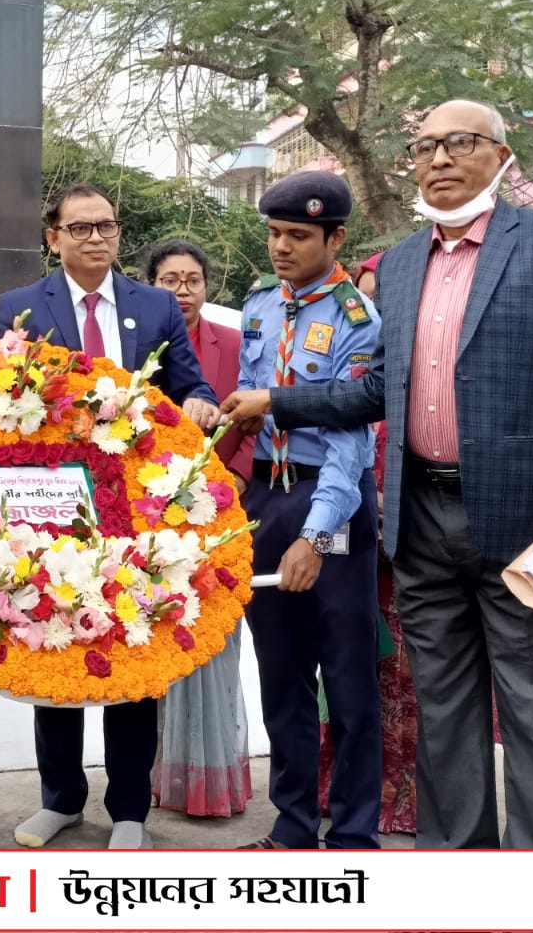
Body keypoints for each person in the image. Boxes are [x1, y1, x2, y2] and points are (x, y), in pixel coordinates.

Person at [222, 99, 533, 849]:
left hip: (530, 526)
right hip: (420, 524)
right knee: (442, 714)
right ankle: (459, 878)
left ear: (502, 155)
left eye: (461, 143)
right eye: (425, 147)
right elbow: (369, 391)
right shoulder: (404, 263)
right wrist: (275, 400)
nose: (440, 159)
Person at [0, 183, 220, 850]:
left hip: (140, 508)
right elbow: (1, 401)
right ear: (52, 236)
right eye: (81, 228)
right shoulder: (19, 307)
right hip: (52, 509)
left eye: (107, 227)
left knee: (131, 653)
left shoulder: (154, 304)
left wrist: (202, 404)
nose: (96, 238)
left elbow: (190, 382)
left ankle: (128, 809)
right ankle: (60, 797)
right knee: (54, 644)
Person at [233, 175, 383, 849]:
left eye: (298, 236)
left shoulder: (358, 322)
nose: (281, 247)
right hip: (266, 500)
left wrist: (317, 537)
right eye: (275, 234)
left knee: (347, 680)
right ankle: (292, 826)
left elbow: (351, 441)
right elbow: (250, 405)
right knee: (280, 675)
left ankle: (353, 834)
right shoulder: (260, 307)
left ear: (336, 238)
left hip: (334, 505)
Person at [142, 238, 254, 820]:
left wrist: (232, 479)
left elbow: (257, 421)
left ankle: (214, 782)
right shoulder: (141, 343)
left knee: (213, 645)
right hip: (146, 524)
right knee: (156, 642)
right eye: (169, 280)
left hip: (221, 516)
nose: (182, 290)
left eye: (192, 279)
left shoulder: (235, 344)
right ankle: (160, 777)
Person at [319, 253, 419, 837]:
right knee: (348, 676)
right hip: (351, 548)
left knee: (411, 680)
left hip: (417, 555)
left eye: (386, 299)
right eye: (366, 296)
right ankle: (337, 791)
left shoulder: (425, 369)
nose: (376, 309)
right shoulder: (345, 372)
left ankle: (408, 799)